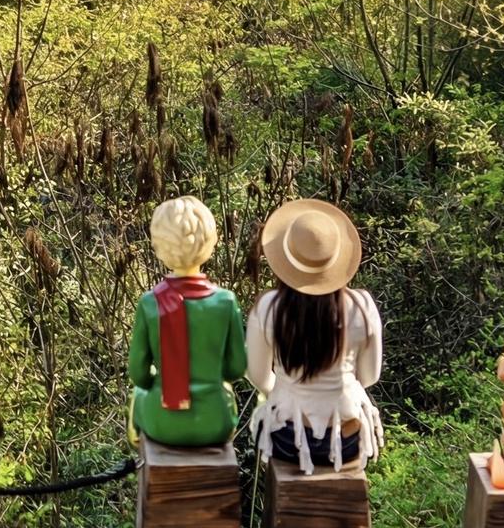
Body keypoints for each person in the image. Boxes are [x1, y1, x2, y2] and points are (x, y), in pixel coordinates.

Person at [245, 198, 383, 473]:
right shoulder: (362, 306)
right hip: (345, 439)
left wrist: (288, 387)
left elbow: (259, 378)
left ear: (285, 259)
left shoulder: (268, 307)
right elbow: (369, 377)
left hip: (287, 438)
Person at [127, 196, 247, 449]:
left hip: (162, 421)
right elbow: (236, 368)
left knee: (137, 395)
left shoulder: (150, 302)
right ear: (210, 242)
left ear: (159, 246)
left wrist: (163, 380)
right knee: (225, 392)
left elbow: (139, 374)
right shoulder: (225, 301)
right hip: (215, 420)